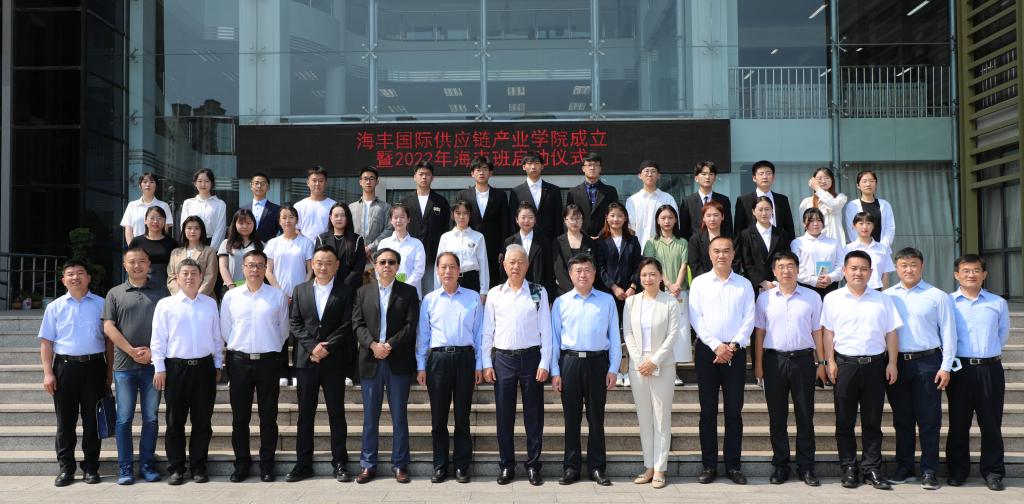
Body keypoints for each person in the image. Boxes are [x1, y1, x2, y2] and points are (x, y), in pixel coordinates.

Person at [821, 250, 902, 490]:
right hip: (845, 365)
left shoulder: (883, 299)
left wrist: (892, 362)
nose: (858, 273)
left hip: (875, 365)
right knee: (844, 421)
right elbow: (828, 332)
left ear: (871, 272)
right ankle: (848, 468)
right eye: (853, 268)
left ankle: (872, 469)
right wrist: (829, 362)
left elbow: (891, 333)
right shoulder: (832, 298)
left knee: (872, 421)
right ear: (844, 271)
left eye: (863, 268)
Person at [883, 247, 956, 490]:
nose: (909, 269)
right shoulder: (887, 296)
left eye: (913, 264)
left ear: (922, 266)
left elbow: (949, 333)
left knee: (929, 420)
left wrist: (946, 367)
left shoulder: (937, 296)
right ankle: (904, 467)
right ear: (896, 268)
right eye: (904, 265)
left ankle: (929, 470)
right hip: (896, 364)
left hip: (928, 362)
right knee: (902, 419)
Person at [752, 251, 825, 487]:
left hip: (803, 361)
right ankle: (780, 466)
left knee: (805, 416)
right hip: (774, 361)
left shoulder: (812, 297)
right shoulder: (764, 299)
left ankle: (806, 467)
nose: (786, 271)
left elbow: (817, 332)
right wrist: (758, 365)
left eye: (791, 266)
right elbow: (759, 333)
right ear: (774, 271)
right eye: (781, 267)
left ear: (798, 269)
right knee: (777, 417)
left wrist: (822, 363)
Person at [482, 244, 552, 486]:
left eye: (521, 262)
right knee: (504, 415)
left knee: (534, 415)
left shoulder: (538, 291)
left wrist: (545, 361)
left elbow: (546, 329)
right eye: (511, 262)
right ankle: (506, 465)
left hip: (531, 358)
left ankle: (533, 465)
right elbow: (487, 332)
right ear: (504, 265)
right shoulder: (495, 294)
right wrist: (486, 362)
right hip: (503, 359)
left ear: (527, 265)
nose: (516, 266)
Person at [287, 246, 357, 483]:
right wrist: (312, 347)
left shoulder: (346, 291)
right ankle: (303, 463)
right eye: (319, 262)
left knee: (336, 414)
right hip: (307, 361)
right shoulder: (300, 290)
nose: (323, 267)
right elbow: (295, 322)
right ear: (312, 264)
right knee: (305, 415)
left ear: (337, 265)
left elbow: (348, 324)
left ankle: (340, 462)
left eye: (328, 262)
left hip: (334, 362)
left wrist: (326, 348)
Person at [151, 258, 224, 485]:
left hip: (204, 368)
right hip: (176, 369)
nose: (190, 277)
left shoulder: (210, 304)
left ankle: (199, 467)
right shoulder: (166, 305)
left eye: (194, 273)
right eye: (185, 273)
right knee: (175, 421)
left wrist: (218, 364)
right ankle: (176, 468)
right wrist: (159, 367)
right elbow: (158, 339)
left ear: (201, 277)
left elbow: (217, 337)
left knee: (202, 421)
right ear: (177, 277)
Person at [689, 236, 755, 485]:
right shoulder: (699, 283)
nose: (721, 255)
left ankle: (733, 466)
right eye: (716, 251)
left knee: (733, 412)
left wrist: (733, 345)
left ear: (733, 254)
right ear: (709, 254)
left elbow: (749, 318)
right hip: (708, 352)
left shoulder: (744, 284)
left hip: (735, 353)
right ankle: (709, 465)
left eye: (726, 251)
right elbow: (695, 318)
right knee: (708, 411)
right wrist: (716, 345)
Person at [220, 250, 289, 483]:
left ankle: (267, 464)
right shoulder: (231, 297)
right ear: (243, 268)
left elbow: (283, 331)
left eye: (260, 265)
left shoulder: (277, 296)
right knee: (240, 418)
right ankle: (241, 464)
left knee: (268, 417)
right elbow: (226, 330)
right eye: (250, 265)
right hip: (239, 362)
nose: (255, 270)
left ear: (266, 268)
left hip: (268, 361)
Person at [352, 248, 420, 484]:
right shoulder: (363, 292)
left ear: (398, 266)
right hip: (371, 361)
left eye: (391, 262)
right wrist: (373, 345)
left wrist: (389, 345)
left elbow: (411, 325)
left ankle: (400, 464)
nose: (387, 266)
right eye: (382, 262)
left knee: (399, 416)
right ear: (375, 265)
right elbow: (357, 324)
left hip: (397, 360)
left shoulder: (408, 292)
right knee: (370, 416)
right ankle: (367, 465)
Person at [550, 253, 620, 486]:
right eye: (578, 270)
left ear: (595, 273)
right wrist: (555, 371)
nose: (583, 274)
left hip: (597, 363)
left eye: (587, 270)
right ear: (570, 275)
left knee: (596, 418)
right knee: (571, 419)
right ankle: (571, 468)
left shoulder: (606, 300)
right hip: (569, 363)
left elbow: (614, 335)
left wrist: (614, 368)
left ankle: (597, 467)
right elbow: (554, 338)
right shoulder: (561, 302)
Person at [415, 252, 484, 484]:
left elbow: (479, 333)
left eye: (452, 266)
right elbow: (423, 335)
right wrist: (421, 365)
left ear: (459, 270)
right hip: (438, 360)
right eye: (443, 267)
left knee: (463, 416)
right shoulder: (430, 299)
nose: (447, 271)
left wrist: (479, 364)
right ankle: (440, 465)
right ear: (437, 271)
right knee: (438, 418)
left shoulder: (473, 298)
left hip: (465, 359)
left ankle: (462, 466)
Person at [39, 260, 109, 487]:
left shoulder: (101, 304)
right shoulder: (55, 307)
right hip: (65, 368)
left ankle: (91, 468)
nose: (75, 277)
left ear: (89, 278)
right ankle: (66, 469)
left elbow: (109, 342)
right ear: (63, 280)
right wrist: (48, 373)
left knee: (92, 421)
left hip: (94, 366)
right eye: (70, 274)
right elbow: (46, 342)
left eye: (80, 273)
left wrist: (109, 372)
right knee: (65, 422)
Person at [102, 248, 168, 485]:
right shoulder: (115, 293)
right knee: (124, 418)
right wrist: (130, 350)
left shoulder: (162, 292)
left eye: (142, 261)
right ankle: (125, 467)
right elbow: (108, 327)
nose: (137, 265)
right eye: (132, 262)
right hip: (124, 366)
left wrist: (153, 352)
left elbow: (169, 326)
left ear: (149, 264)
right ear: (124, 265)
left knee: (151, 417)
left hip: (153, 365)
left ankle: (147, 465)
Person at [946, 254, 1010, 491]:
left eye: (976, 270)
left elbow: (1002, 335)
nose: (971, 275)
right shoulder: (948, 302)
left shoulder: (997, 303)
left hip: (990, 368)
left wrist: (986, 355)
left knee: (991, 423)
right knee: (958, 423)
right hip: (960, 369)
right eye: (966, 271)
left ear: (984, 274)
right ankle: (957, 471)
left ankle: (993, 472)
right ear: (957, 275)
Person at [623, 258, 679, 489]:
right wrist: (640, 361)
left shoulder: (670, 302)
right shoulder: (631, 302)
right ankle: (648, 466)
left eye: (653, 274)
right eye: (644, 274)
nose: (648, 278)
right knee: (644, 418)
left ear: (660, 276)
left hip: (663, 366)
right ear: (639, 277)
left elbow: (673, 335)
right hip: (638, 368)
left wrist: (654, 361)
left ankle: (660, 468)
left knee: (661, 418)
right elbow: (628, 333)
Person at [265, 205, 314, 386]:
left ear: (297, 220)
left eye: (291, 217)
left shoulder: (306, 243)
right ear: (279, 221)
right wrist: (280, 292)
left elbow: (310, 270)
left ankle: (299, 372)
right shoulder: (273, 243)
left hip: (301, 295)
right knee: (281, 334)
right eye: (284, 217)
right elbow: (268, 271)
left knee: (300, 334)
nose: (287, 220)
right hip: (278, 295)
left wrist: (300, 291)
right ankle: (282, 372)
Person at [642, 204, 693, 374]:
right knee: (660, 330)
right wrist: (669, 284)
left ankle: (674, 371)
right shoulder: (651, 243)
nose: (667, 221)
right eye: (663, 218)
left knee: (677, 332)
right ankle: (658, 366)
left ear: (676, 220)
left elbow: (684, 265)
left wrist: (677, 285)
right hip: (659, 292)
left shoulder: (683, 242)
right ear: (657, 220)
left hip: (680, 292)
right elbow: (652, 267)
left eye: (670, 217)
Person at [595, 201, 642, 386]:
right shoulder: (600, 241)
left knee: (630, 331)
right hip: (608, 294)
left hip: (630, 294)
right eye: (612, 215)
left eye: (620, 216)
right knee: (611, 331)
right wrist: (614, 287)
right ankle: (613, 369)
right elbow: (599, 268)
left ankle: (628, 370)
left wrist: (632, 287)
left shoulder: (633, 240)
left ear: (625, 218)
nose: (616, 219)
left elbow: (639, 265)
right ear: (607, 218)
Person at [458, 156, 510, 289]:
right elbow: (458, 221)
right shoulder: (464, 195)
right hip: (470, 245)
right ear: (472, 173)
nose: (481, 172)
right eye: (477, 169)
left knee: (493, 283)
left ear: (490, 173)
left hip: (493, 247)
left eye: (485, 169)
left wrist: (503, 249)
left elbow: (504, 223)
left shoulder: (500, 195)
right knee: (471, 281)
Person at [401, 160, 451, 293]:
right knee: (407, 291)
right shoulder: (405, 201)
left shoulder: (441, 201)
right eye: (421, 174)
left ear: (432, 177)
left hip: (432, 256)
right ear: (414, 177)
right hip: (409, 255)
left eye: (427, 174)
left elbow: (446, 228)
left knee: (431, 292)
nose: (424, 177)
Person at [736, 196, 795, 295]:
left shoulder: (782, 234)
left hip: (779, 285)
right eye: (760, 210)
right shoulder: (745, 235)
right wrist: (762, 282)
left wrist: (775, 281)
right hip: (754, 286)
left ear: (772, 211)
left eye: (767, 209)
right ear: (753, 212)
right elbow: (747, 262)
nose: (764, 213)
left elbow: (786, 258)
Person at [435, 200, 488, 297]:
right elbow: (438, 264)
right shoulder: (445, 237)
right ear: (453, 215)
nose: (461, 217)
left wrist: (484, 291)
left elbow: (483, 264)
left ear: (470, 215)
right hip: (450, 279)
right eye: (458, 213)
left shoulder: (478, 237)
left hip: (471, 280)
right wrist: (437, 288)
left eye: (465, 213)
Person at [500, 202, 555, 296]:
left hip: (536, 289)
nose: (526, 221)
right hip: (515, 288)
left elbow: (549, 269)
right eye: (523, 217)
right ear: (517, 219)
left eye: (530, 217)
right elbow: (504, 269)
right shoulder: (509, 242)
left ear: (535, 220)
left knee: (536, 305)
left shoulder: (544, 242)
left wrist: (550, 295)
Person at [509, 151, 563, 240]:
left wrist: (557, 242)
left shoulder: (554, 191)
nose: (533, 167)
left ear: (542, 166)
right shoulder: (516, 192)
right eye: (529, 163)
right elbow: (512, 220)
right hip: (524, 240)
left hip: (549, 240)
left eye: (537, 163)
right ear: (524, 167)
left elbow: (558, 220)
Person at [791, 208, 844, 298]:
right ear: (804, 223)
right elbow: (795, 267)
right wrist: (813, 280)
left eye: (819, 220)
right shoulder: (798, 243)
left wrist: (831, 277)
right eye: (811, 221)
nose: (815, 224)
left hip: (830, 286)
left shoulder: (834, 242)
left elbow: (841, 265)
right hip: (806, 286)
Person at [624, 160, 678, 248]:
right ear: (640, 175)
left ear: (659, 175)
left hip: (664, 249)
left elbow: (675, 224)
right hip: (639, 248)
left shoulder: (668, 199)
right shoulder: (632, 200)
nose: (650, 174)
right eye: (646, 171)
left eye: (653, 171)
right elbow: (630, 228)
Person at [565, 152, 620, 238]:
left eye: (595, 165)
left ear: (600, 168)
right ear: (583, 168)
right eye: (589, 165)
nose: (592, 168)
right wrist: (583, 235)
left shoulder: (610, 191)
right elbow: (569, 217)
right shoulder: (573, 193)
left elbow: (614, 214)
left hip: (605, 238)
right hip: (581, 238)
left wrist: (601, 235)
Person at [377, 203, 427, 297]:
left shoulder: (417, 244)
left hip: (411, 293)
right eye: (395, 217)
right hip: (388, 293)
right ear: (391, 220)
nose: (399, 220)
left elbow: (419, 270)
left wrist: (405, 287)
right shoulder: (384, 243)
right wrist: (388, 285)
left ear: (408, 220)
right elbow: (378, 268)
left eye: (402, 217)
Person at [734, 160, 795, 237]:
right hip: (752, 243)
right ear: (754, 178)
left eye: (768, 173)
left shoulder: (782, 200)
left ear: (773, 177)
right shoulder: (743, 200)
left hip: (777, 242)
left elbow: (789, 227)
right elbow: (738, 230)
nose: (765, 177)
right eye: (761, 174)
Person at [315, 202, 367, 289]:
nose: (339, 218)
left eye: (343, 215)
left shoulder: (357, 239)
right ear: (330, 218)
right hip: (326, 286)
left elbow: (359, 266)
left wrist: (346, 284)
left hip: (350, 288)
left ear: (348, 218)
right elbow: (318, 263)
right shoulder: (321, 239)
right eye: (336, 216)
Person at [552, 205, 599, 297]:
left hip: (587, 291)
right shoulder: (558, 242)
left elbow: (593, 266)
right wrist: (573, 290)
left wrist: (583, 288)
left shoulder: (590, 242)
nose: (575, 222)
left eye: (578, 218)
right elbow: (559, 269)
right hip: (564, 292)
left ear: (582, 220)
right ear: (565, 220)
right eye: (571, 218)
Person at [349, 165, 394, 258]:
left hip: (378, 255)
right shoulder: (351, 207)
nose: (368, 182)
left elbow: (389, 230)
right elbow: (347, 230)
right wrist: (357, 247)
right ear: (360, 182)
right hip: (354, 254)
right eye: (365, 179)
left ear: (377, 182)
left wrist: (370, 248)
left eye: (371, 178)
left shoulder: (386, 207)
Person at [167, 216, 218, 297]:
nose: (192, 231)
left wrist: (197, 297)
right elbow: (171, 277)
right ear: (184, 230)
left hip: (203, 298)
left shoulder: (209, 251)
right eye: (189, 228)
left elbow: (210, 277)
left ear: (201, 231)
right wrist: (180, 295)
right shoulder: (175, 253)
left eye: (197, 228)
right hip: (179, 299)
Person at [128, 206, 179, 289]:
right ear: (145, 221)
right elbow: (130, 263)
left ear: (164, 221)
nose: (155, 221)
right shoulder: (136, 241)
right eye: (152, 218)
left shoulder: (172, 243)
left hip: (165, 285)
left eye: (159, 218)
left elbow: (176, 267)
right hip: (140, 284)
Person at [680, 161, 733, 239]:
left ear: (715, 178)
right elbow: (684, 230)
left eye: (711, 174)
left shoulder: (723, 200)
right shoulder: (687, 201)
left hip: (718, 242)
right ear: (696, 178)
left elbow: (728, 227)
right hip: (696, 244)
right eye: (704, 174)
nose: (707, 177)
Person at [844, 169, 895, 249]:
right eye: (864, 181)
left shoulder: (885, 205)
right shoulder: (852, 205)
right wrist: (862, 247)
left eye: (871, 181)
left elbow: (890, 228)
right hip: (860, 250)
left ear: (876, 184)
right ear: (858, 185)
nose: (868, 184)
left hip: (882, 250)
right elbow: (851, 229)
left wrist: (881, 247)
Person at [178, 168, 227, 247]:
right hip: (192, 243)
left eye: (207, 181)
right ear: (195, 183)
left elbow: (220, 229)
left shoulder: (220, 204)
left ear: (212, 183)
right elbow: (184, 226)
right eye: (200, 181)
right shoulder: (188, 203)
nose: (203, 184)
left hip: (211, 243)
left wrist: (212, 249)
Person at [121, 172, 173, 245]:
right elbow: (128, 229)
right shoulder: (132, 205)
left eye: (151, 182)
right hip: (137, 247)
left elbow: (165, 229)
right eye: (145, 182)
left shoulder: (164, 206)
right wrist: (132, 248)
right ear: (140, 186)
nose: (148, 184)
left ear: (156, 186)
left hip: (157, 246)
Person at [846, 211, 894, 290]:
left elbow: (885, 273)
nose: (865, 227)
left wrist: (883, 293)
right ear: (854, 226)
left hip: (877, 290)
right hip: (855, 290)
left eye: (868, 223)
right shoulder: (848, 249)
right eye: (861, 223)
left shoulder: (882, 248)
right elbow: (845, 272)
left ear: (873, 226)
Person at [798, 167, 847, 243]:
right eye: (819, 178)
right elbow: (803, 225)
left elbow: (833, 205)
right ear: (813, 181)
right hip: (814, 243)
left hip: (835, 242)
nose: (823, 181)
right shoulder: (806, 202)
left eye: (827, 178)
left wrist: (817, 188)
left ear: (832, 180)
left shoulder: (840, 198)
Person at [218, 208, 263, 291]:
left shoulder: (261, 245)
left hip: (254, 288)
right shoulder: (226, 243)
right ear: (235, 224)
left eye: (249, 223)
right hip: (231, 287)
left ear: (254, 224)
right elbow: (223, 267)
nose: (245, 226)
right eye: (241, 223)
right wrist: (231, 285)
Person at [687, 200, 730, 279]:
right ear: (703, 218)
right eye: (708, 216)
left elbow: (735, 262)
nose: (712, 219)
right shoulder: (695, 240)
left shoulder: (731, 238)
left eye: (716, 215)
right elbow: (695, 265)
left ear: (722, 217)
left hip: (727, 280)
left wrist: (724, 278)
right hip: (704, 282)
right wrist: (709, 281)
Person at [294, 165, 337, 241]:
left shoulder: (334, 205)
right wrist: (305, 243)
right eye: (314, 180)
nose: (317, 184)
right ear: (308, 183)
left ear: (326, 183)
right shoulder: (299, 206)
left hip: (326, 246)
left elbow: (337, 229)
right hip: (304, 246)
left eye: (321, 181)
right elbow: (295, 228)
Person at [242, 172, 282, 244]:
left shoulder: (277, 210)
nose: (259, 186)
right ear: (251, 186)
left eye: (263, 184)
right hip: (245, 247)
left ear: (268, 187)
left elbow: (283, 231)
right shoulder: (242, 210)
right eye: (256, 183)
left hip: (268, 248)